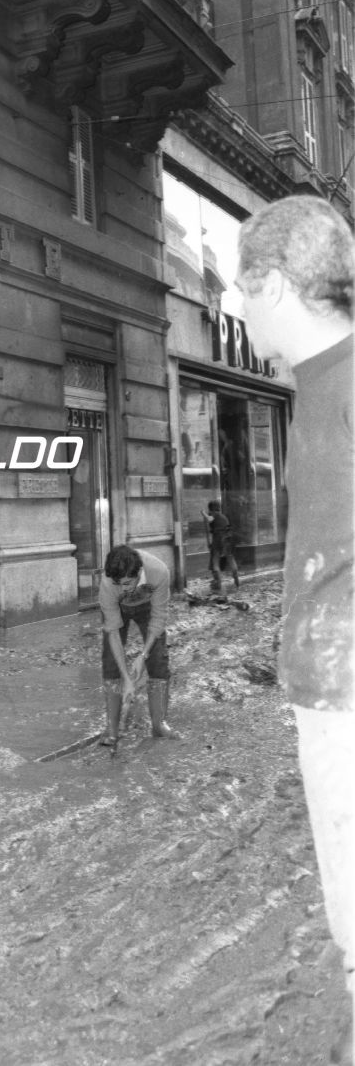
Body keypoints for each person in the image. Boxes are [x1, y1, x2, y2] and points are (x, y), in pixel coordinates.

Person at [236, 194, 353, 1063]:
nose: (236, 312)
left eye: (240, 291)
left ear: (273, 285)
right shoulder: (319, 387)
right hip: (330, 695)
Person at [98, 543, 178, 747]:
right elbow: (113, 632)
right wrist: (127, 679)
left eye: (127, 583)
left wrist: (143, 656)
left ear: (139, 572)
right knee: (110, 661)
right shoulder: (108, 584)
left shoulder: (159, 572)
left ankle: (159, 724)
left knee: (158, 659)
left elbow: (158, 619)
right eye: (119, 584)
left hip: (148, 606)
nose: (123, 588)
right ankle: (112, 728)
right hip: (118, 609)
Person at [204, 499, 240, 591]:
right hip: (228, 540)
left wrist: (203, 514)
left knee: (215, 560)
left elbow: (209, 520)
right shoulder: (224, 517)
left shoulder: (214, 515)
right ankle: (236, 577)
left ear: (211, 509)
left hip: (218, 540)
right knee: (230, 558)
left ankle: (218, 582)